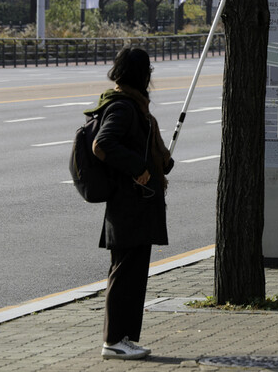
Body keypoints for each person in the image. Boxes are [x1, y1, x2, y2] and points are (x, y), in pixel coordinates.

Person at [87, 47, 174, 360]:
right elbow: (103, 144)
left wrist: (160, 161)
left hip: (134, 203)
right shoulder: (123, 106)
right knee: (125, 273)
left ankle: (124, 337)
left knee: (133, 273)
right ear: (142, 73)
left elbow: (136, 144)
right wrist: (139, 168)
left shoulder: (131, 104)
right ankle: (113, 341)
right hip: (128, 203)